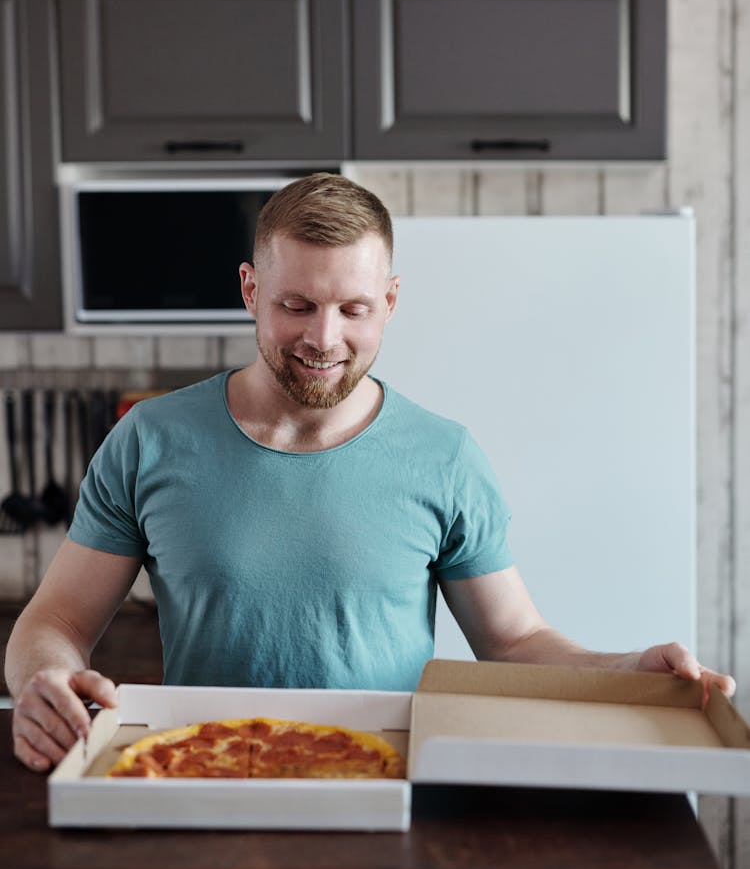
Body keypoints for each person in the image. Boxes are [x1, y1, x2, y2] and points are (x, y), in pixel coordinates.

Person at [6, 172, 735, 772]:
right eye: (296, 304)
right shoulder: (148, 440)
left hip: (387, 787)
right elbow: (56, 620)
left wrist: (632, 670)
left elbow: (513, 642)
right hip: (201, 772)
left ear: (390, 300)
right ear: (250, 289)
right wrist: (43, 676)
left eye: (354, 308)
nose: (324, 338)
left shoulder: (444, 457)